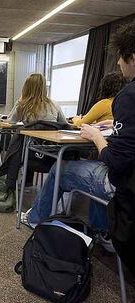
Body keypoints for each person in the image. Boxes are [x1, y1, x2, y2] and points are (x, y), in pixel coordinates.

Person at [23, 25, 135, 258]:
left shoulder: (128, 97)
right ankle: (102, 231)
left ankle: (35, 218)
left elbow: (116, 162)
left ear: (132, 58)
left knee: (62, 168)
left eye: (120, 58)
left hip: (124, 188)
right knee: (92, 166)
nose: (117, 63)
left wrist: (96, 136)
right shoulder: (54, 104)